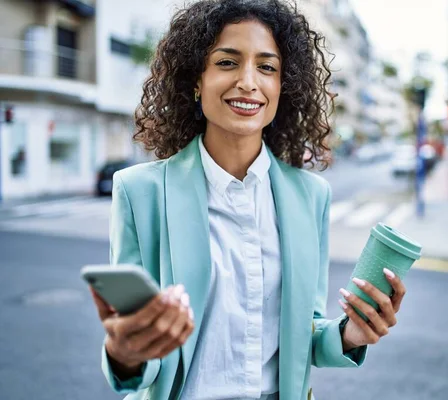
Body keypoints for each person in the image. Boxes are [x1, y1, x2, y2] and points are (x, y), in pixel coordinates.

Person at [89, 1, 407, 399]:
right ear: (195, 80)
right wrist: (125, 353)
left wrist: (349, 334)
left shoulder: (310, 197)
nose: (248, 81)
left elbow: (303, 334)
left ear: (281, 87)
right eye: (226, 62)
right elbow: (143, 352)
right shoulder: (140, 191)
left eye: (267, 67)